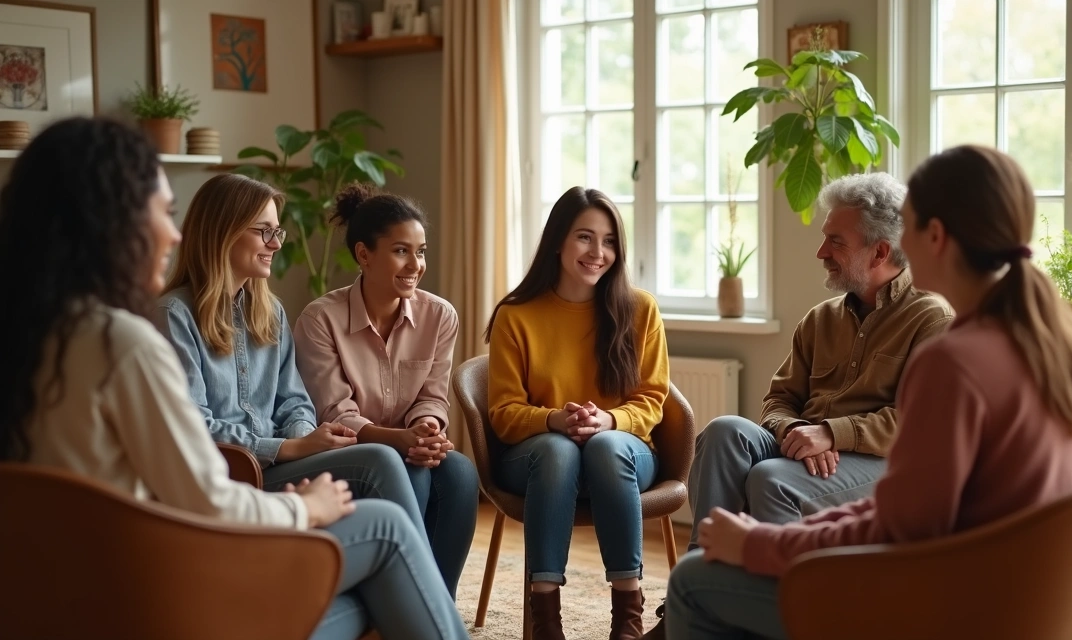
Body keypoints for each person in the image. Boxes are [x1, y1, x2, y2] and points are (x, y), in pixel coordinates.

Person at [0, 116, 468, 640]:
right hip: (160, 591)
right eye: (164, 213)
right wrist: (303, 506)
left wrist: (303, 441)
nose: (173, 234)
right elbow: (207, 496)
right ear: (109, 222)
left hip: (78, 596)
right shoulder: (124, 343)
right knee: (385, 533)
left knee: (365, 601)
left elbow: (290, 404)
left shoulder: (31, 339)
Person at [645, 146, 1072, 639]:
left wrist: (764, 547)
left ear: (933, 236)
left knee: (693, 583)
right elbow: (910, 508)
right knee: (730, 458)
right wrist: (770, 538)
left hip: (950, 608)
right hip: (1021, 603)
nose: (900, 244)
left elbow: (902, 526)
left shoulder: (955, 356)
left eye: (906, 227)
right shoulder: (1057, 345)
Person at [686, 173, 953, 548]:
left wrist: (830, 433)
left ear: (879, 252)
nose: (821, 252)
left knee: (771, 477)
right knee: (723, 432)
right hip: (805, 450)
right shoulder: (820, 319)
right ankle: (702, 578)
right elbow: (778, 400)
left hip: (885, 465)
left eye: (835, 241)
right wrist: (797, 430)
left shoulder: (932, 319)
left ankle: (779, 602)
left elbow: (920, 423)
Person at [152, 173, 426, 535]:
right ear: (223, 231)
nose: (276, 244)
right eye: (263, 231)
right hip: (229, 480)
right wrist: (289, 447)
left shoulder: (270, 312)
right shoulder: (174, 314)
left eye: (276, 232)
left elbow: (294, 402)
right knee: (379, 460)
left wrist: (311, 441)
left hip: (279, 465)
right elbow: (194, 428)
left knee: (426, 469)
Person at [485, 186, 669, 640]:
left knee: (605, 446)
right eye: (585, 237)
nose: (598, 252)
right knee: (558, 451)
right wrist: (556, 420)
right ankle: (545, 620)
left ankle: (627, 620)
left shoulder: (640, 309)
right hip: (538, 459)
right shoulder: (516, 314)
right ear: (557, 241)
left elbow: (652, 400)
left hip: (622, 456)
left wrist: (608, 421)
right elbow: (504, 413)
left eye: (609, 241)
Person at [294, 183, 479, 598]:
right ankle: (405, 600)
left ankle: (437, 601)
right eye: (401, 251)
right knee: (407, 469)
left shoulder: (439, 316)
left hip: (410, 444)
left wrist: (428, 429)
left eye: (422, 251)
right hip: (351, 452)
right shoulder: (320, 319)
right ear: (364, 254)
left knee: (462, 475)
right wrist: (399, 440)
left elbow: (432, 396)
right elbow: (333, 412)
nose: (415, 264)